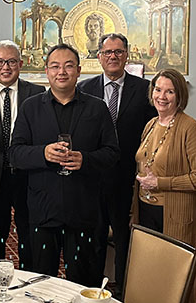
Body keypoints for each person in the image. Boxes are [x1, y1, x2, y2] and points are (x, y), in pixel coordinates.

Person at [9, 43, 119, 286]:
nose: (62, 72)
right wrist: (43, 153)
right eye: (55, 66)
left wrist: (85, 159)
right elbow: (15, 154)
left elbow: (112, 153)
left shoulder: (97, 107)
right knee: (40, 283)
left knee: (83, 284)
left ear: (78, 71)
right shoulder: (30, 107)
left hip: (83, 211)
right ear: (46, 71)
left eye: (68, 66)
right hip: (43, 211)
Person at [134, 68, 196, 303]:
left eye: (169, 91)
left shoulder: (189, 127)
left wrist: (162, 183)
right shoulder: (151, 123)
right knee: (154, 277)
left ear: (180, 96)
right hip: (147, 211)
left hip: (175, 215)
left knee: (178, 279)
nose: (162, 96)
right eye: (158, 90)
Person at [78, 33, 154, 290]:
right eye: (107, 52)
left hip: (127, 177)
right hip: (93, 176)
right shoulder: (84, 89)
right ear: (99, 56)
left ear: (126, 55)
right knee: (94, 235)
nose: (113, 56)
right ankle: (91, 287)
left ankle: (124, 288)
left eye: (118, 51)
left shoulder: (144, 90)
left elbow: (151, 132)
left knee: (125, 237)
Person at [0, 40, 44, 269]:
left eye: (11, 61)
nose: (6, 67)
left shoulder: (37, 93)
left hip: (27, 177)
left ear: (21, 64)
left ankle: (28, 278)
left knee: (28, 236)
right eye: (0, 62)